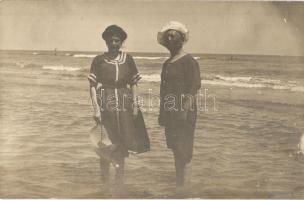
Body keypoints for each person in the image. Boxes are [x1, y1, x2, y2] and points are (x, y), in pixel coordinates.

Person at [88, 25, 149, 185]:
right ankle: (104, 181)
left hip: (124, 103)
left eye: (117, 40)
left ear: (121, 42)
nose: (113, 43)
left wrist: (135, 105)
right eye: (110, 40)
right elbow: (92, 86)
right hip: (105, 103)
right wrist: (96, 109)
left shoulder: (127, 59)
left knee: (121, 141)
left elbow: (134, 84)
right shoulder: (99, 60)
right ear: (106, 41)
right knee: (105, 142)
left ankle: (119, 180)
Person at [157, 21, 201, 186]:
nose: (169, 39)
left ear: (181, 39)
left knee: (184, 150)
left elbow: (193, 88)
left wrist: (184, 110)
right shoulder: (167, 64)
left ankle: (184, 188)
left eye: (173, 35)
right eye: (167, 36)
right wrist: (162, 113)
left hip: (184, 111)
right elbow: (163, 91)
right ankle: (179, 187)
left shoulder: (189, 61)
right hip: (170, 112)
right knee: (176, 149)